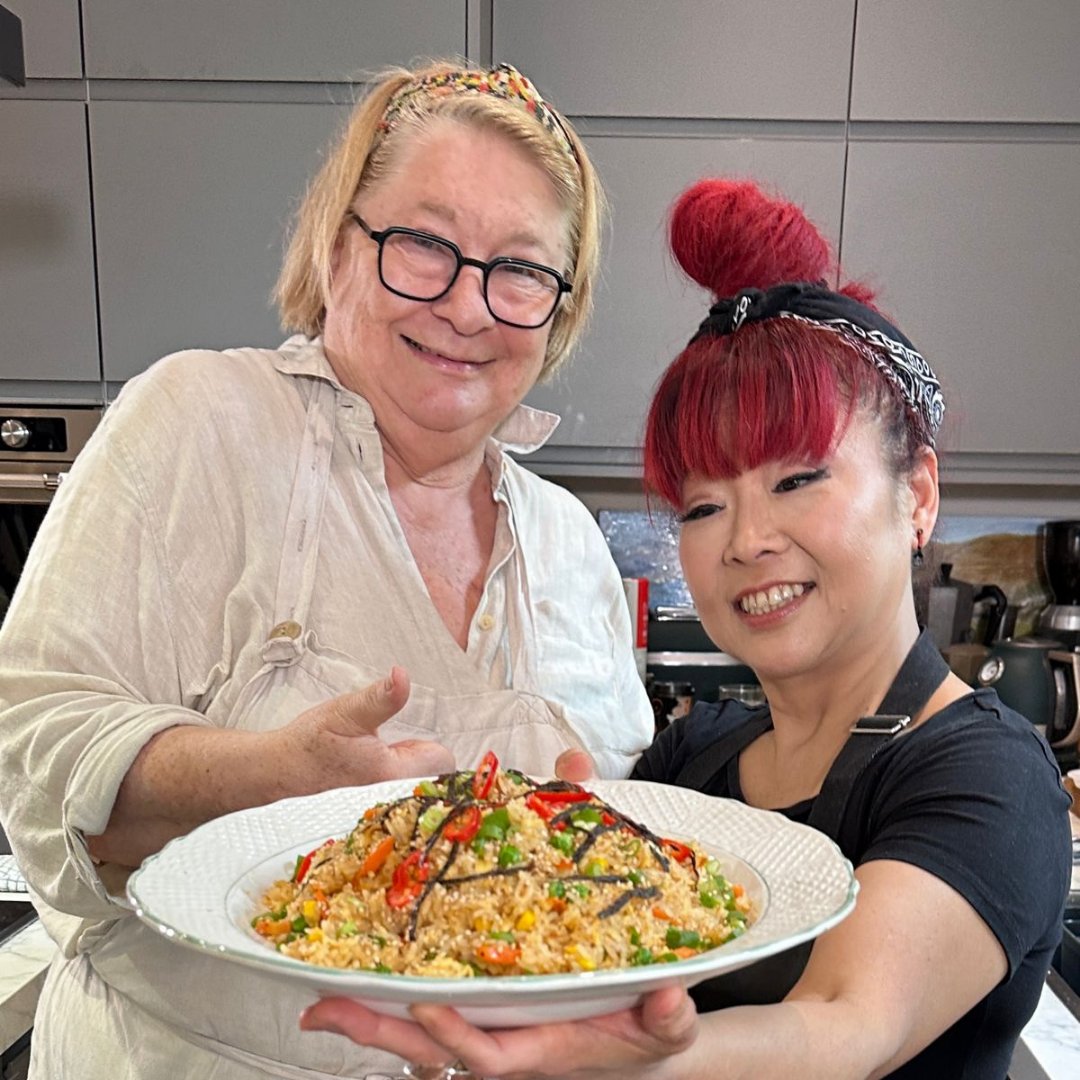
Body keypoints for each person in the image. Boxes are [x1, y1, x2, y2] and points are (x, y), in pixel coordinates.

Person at [301, 178, 1074, 1078]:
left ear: (919, 497)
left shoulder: (992, 776)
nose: (746, 542)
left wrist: (623, 1064)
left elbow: (845, 1023)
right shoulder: (691, 759)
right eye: (703, 507)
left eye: (797, 481)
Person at [0, 60, 653, 1079]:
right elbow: (30, 744)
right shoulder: (205, 422)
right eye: (424, 244)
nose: (470, 307)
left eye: (520, 269)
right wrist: (264, 781)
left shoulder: (569, 541)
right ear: (339, 248)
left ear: (560, 309)